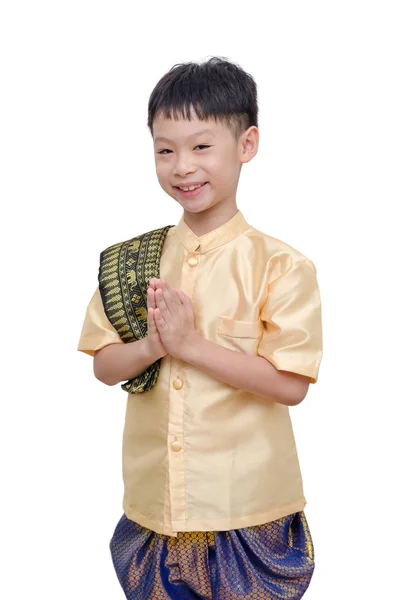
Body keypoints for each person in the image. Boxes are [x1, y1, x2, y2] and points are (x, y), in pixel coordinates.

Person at [77, 56, 323, 600]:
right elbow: (102, 364)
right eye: (165, 150)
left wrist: (190, 345)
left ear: (247, 144)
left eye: (201, 146)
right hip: (154, 512)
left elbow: (291, 384)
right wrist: (152, 344)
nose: (182, 166)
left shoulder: (281, 266)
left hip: (250, 511)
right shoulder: (132, 261)